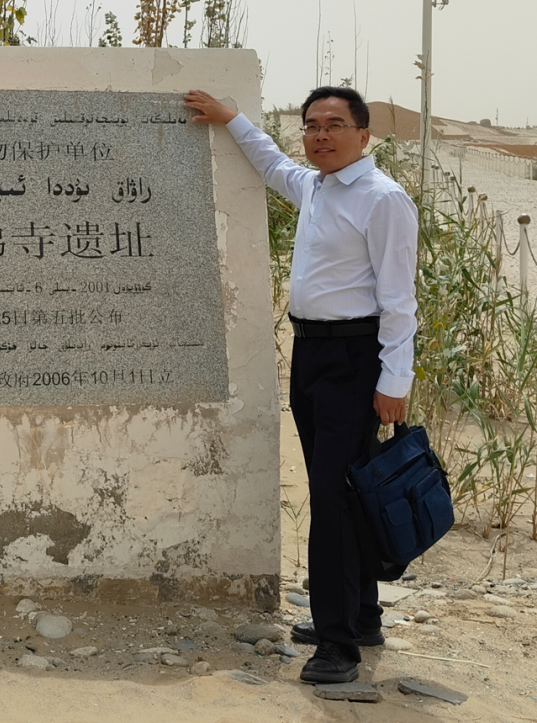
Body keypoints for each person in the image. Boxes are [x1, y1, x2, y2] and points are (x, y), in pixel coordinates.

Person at [184, 85, 418, 684]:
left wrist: (395, 379)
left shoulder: (382, 199)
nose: (320, 135)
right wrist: (231, 118)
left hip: (355, 358)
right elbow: (271, 163)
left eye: (334, 125)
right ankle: (361, 616)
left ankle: (338, 646)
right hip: (312, 354)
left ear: (363, 135)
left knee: (334, 499)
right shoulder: (315, 186)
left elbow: (399, 301)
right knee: (342, 489)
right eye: (312, 125)